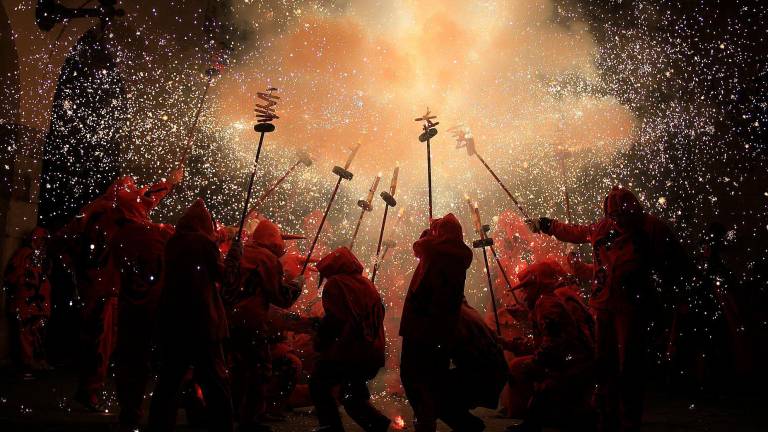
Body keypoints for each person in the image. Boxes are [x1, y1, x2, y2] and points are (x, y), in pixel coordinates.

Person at [527, 186, 690, 432]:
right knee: (604, 364)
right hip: (604, 306)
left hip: (632, 309)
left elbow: (678, 267)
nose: (620, 221)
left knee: (629, 366)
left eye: (624, 216)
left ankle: (628, 420)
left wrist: (673, 302)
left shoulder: (653, 229)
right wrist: (546, 225)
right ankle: (606, 417)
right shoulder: (603, 228)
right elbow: (574, 232)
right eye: (615, 217)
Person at [147, 198, 233, 432]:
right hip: (203, 322)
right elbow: (223, 276)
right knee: (216, 382)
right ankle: (223, 427)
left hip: (174, 322)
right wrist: (234, 256)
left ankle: (158, 426)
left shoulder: (173, 242)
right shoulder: (204, 243)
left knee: (169, 381)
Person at [399, 214, 485, 432]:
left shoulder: (439, 254)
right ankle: (459, 423)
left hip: (423, 329)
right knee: (431, 382)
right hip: (439, 330)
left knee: (416, 379)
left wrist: (428, 235)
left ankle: (442, 424)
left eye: (437, 230)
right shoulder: (452, 255)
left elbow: (419, 248)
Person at [223, 218, 303, 432]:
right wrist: (297, 285)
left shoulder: (241, 252)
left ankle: (231, 414)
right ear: (271, 239)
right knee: (259, 370)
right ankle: (250, 419)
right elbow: (281, 297)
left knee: (238, 370)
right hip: (251, 322)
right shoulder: (267, 258)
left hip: (228, 321)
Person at [501, 260, 595, 432]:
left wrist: (535, 363)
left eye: (526, 288)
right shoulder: (550, 299)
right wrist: (510, 344)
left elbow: (553, 343)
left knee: (531, 374)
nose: (523, 294)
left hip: (574, 364)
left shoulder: (547, 303)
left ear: (537, 284)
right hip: (575, 360)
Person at [112, 181, 176, 428]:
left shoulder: (117, 236)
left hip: (128, 307)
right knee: (169, 363)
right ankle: (162, 417)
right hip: (158, 310)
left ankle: (130, 412)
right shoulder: (159, 233)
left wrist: (168, 183)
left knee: (129, 362)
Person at [310, 247, 391, 432]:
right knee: (352, 397)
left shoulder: (336, 284)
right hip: (372, 350)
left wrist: (320, 342)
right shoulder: (366, 284)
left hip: (350, 352)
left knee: (319, 385)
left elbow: (335, 320)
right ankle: (377, 425)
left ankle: (331, 428)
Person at [3, 227, 52, 373]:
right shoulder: (24, 255)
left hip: (39, 304)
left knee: (38, 333)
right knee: (26, 333)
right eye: (41, 240)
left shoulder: (42, 257)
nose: (43, 244)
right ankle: (28, 362)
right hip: (27, 303)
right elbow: (11, 277)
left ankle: (37, 361)